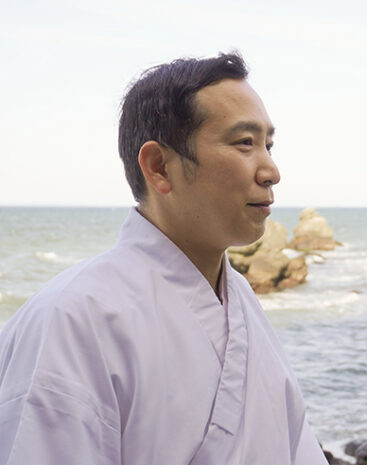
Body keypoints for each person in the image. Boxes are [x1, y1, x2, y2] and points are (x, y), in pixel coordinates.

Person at [0, 52, 328, 465]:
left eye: (268, 144)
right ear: (158, 167)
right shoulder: (72, 318)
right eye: (245, 143)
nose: (271, 170)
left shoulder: (242, 302)